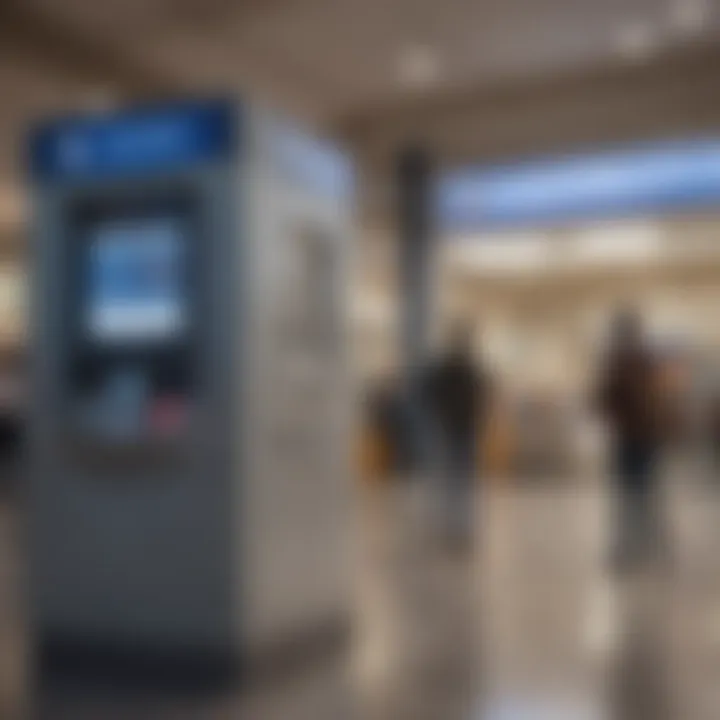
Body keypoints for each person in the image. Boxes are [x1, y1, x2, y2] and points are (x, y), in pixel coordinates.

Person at [595, 309, 666, 570]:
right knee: (643, 493)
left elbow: (604, 398)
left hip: (631, 437)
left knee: (630, 495)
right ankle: (647, 547)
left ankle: (634, 548)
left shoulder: (618, 363)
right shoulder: (644, 362)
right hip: (642, 436)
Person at [423, 324, 491, 548]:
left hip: (455, 426)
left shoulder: (451, 369)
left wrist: (441, 412)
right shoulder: (467, 369)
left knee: (453, 477)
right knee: (461, 478)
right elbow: (482, 395)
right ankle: (458, 525)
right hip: (460, 426)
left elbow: (431, 394)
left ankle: (454, 524)